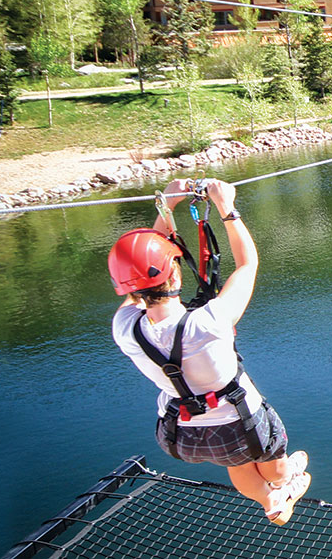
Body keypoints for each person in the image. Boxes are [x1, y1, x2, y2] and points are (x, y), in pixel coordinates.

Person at [108, 178, 311, 524]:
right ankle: (283, 483)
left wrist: (166, 208)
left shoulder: (125, 328)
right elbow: (247, 265)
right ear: (174, 276)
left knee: (235, 461)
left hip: (182, 436)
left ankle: (269, 501)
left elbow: (139, 274)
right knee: (271, 457)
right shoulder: (209, 321)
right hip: (241, 426)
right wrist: (227, 208)